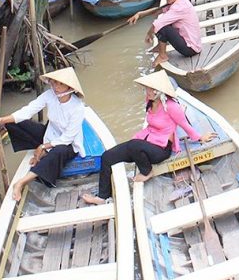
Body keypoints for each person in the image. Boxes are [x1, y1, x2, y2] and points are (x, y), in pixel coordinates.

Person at [81, 71, 218, 205]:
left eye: (151, 89)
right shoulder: (150, 101)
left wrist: (200, 138)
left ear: (159, 91)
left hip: (161, 149)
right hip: (145, 143)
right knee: (107, 157)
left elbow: (185, 125)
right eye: (147, 88)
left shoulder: (171, 106)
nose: (147, 91)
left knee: (134, 145)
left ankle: (147, 171)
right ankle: (102, 197)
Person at [0, 68, 87, 202]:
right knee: (14, 123)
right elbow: (28, 110)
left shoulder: (77, 107)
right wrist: (2, 120)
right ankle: (42, 153)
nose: (56, 86)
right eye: (54, 82)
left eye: (60, 84)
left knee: (57, 152)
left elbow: (68, 137)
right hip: (50, 133)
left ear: (69, 87)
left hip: (68, 144)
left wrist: (43, 147)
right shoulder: (49, 95)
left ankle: (21, 182)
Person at [129, 0, 201, 67]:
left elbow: (158, 24)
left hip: (190, 49)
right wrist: (140, 14)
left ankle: (163, 56)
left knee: (162, 27)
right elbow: (158, 10)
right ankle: (159, 47)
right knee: (164, 21)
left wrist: (149, 34)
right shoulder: (179, 0)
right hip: (191, 44)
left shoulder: (179, 7)